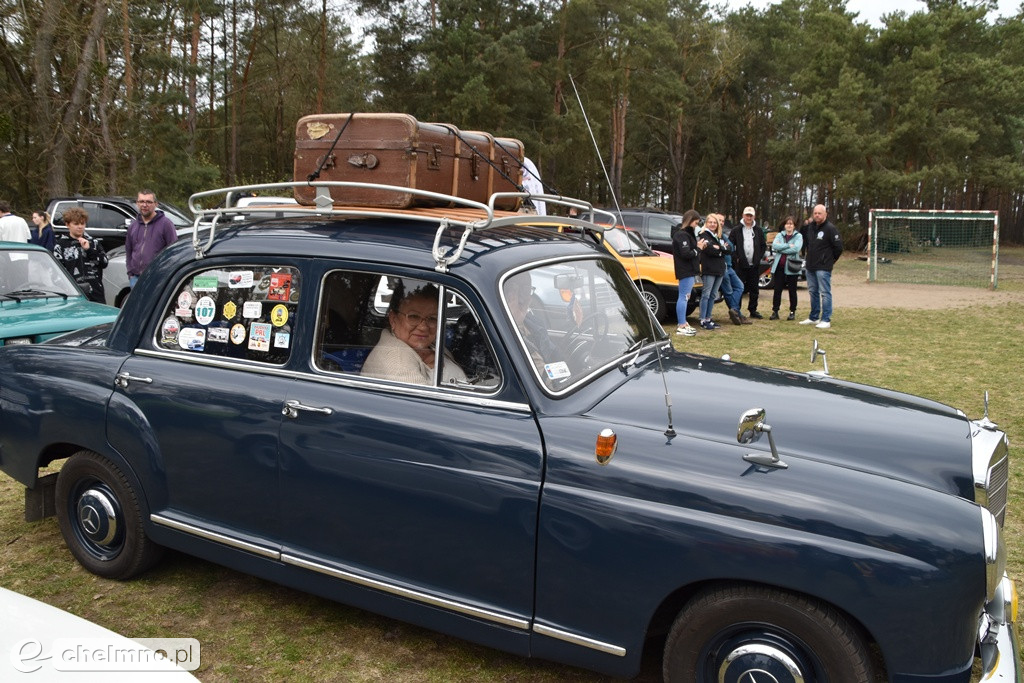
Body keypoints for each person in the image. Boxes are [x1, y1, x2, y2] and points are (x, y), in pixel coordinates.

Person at [361, 281, 467, 385]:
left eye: (432, 319)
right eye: (413, 317)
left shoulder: (431, 346)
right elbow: (423, 402)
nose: (423, 327)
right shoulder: (395, 361)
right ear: (393, 319)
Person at [799, 204, 844, 329]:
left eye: (819, 213)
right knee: (813, 291)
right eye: (815, 213)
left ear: (825, 214)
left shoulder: (830, 229)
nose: (817, 215)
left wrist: (829, 261)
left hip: (823, 267)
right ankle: (814, 317)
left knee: (825, 293)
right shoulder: (810, 228)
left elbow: (838, 248)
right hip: (810, 265)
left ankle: (826, 319)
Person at [125, 189, 178, 287]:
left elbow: (173, 252)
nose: (144, 205)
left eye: (148, 202)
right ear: (137, 203)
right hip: (135, 279)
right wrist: (130, 273)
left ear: (156, 204)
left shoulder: (166, 224)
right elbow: (128, 251)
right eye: (141, 201)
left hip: (156, 279)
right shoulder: (133, 226)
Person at [54, 207, 107, 303]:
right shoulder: (61, 245)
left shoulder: (93, 242)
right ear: (67, 225)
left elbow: (104, 263)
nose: (80, 227)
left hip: (95, 291)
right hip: (73, 292)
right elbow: (56, 271)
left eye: (82, 224)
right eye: (76, 224)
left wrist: (89, 250)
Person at [729, 206, 767, 319]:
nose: (749, 217)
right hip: (740, 265)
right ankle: (737, 310)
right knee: (739, 288)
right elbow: (730, 246)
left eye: (751, 215)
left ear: (754, 216)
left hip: (754, 265)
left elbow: (763, 246)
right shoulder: (736, 230)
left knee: (754, 289)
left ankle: (753, 310)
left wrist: (758, 258)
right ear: (743, 215)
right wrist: (736, 258)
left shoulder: (758, 230)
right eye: (747, 215)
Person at [671, 209, 704, 336]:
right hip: (685, 270)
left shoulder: (688, 235)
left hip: (689, 271)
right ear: (690, 221)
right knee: (683, 297)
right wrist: (698, 249)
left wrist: (697, 248)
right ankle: (681, 324)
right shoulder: (681, 235)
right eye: (695, 223)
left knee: (686, 296)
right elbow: (686, 254)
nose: (696, 226)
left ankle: (683, 322)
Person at [715, 212, 750, 325]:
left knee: (740, 286)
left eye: (723, 221)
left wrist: (726, 247)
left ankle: (735, 311)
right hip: (721, 267)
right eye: (719, 220)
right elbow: (724, 249)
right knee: (728, 292)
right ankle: (738, 314)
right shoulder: (711, 235)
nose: (721, 223)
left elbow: (730, 247)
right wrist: (725, 247)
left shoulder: (723, 235)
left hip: (729, 267)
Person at [769, 216, 803, 320]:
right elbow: (774, 246)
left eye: (791, 224)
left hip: (792, 267)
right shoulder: (780, 235)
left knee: (792, 290)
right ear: (784, 225)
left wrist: (782, 247)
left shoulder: (798, 236)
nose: (789, 225)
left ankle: (792, 311)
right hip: (779, 267)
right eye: (787, 223)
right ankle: (775, 311)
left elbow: (796, 248)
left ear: (794, 226)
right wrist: (789, 246)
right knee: (777, 290)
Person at [696, 213, 727, 330]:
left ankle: (709, 318)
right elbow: (709, 250)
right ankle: (703, 319)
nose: (713, 224)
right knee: (706, 294)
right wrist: (720, 249)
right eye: (710, 222)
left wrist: (720, 248)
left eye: (715, 223)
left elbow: (729, 249)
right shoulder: (703, 235)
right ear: (706, 223)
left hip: (719, 268)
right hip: (709, 269)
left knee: (714, 294)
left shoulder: (719, 236)